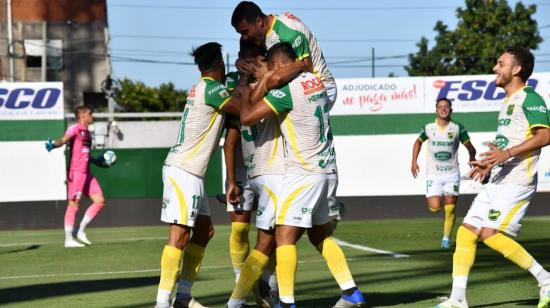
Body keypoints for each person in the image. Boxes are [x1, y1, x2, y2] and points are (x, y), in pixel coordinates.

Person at [238, 42, 365, 308]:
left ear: (277, 67)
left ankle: (286, 302)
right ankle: (350, 292)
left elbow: (248, 116)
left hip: (304, 173)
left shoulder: (287, 92)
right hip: (328, 168)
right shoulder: (316, 82)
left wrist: (252, 87)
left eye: (271, 70)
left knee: (283, 235)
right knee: (320, 236)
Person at [436, 46, 550, 308]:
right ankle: (458, 299)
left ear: (517, 69)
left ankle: (545, 279)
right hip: (498, 179)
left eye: (500, 64)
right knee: (466, 234)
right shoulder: (507, 102)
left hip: (517, 181)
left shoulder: (530, 98)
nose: (495, 69)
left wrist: (507, 153)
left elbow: (544, 136)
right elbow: (507, 146)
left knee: (489, 233)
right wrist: (489, 164)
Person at [155, 42, 244, 308]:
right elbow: (242, 109)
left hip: (190, 171)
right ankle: (162, 302)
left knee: (204, 232)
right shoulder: (213, 89)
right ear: (219, 62)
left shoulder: (202, 87)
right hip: (184, 170)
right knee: (180, 236)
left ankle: (183, 296)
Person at [226, 40, 284, 308]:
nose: (247, 59)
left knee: (271, 234)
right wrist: (230, 178)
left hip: (269, 165)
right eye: (243, 55)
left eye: (253, 56)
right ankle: (243, 285)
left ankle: (267, 287)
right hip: (241, 167)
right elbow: (233, 127)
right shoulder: (231, 82)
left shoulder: (273, 78)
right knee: (239, 230)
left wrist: (258, 76)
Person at [411, 98, 476, 249]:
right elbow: (418, 142)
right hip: (434, 174)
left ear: (451, 110)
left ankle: (446, 238)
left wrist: (472, 158)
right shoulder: (428, 128)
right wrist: (414, 161)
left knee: (451, 207)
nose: (443, 109)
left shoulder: (458, 128)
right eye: (440, 107)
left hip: (452, 174)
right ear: (436, 110)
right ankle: (441, 217)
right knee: (434, 207)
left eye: (446, 107)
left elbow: (470, 147)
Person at [45, 105, 106, 248]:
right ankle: (68, 240)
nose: (93, 116)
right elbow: (64, 139)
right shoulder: (75, 128)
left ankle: (80, 231)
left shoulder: (88, 133)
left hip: (87, 172)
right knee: (73, 204)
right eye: (91, 113)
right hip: (76, 172)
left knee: (100, 200)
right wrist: (53, 144)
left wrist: (96, 161)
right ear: (83, 115)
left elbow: (85, 153)